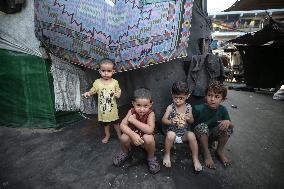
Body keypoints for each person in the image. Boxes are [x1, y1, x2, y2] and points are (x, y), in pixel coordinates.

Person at [113, 88, 160, 174]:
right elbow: (122, 125)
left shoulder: (151, 114)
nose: (142, 109)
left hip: (145, 141)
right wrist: (133, 135)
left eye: (145, 106)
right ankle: (125, 152)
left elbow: (149, 130)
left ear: (150, 104)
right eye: (138, 105)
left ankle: (151, 158)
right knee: (124, 137)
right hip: (133, 139)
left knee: (148, 138)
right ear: (133, 103)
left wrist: (134, 121)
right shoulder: (131, 111)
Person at [161, 81, 202, 172]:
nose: (178, 100)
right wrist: (171, 121)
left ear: (187, 96)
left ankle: (195, 159)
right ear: (172, 95)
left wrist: (189, 117)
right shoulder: (171, 107)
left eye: (181, 98)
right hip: (172, 135)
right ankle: (167, 154)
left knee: (191, 135)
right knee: (171, 134)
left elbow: (192, 121)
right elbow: (163, 120)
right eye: (176, 97)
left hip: (183, 135)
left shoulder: (188, 107)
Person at [192, 81, 234, 169]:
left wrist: (228, 122)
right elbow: (190, 123)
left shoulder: (223, 110)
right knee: (202, 126)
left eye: (217, 97)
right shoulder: (198, 108)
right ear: (205, 96)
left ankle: (219, 151)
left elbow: (232, 126)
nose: (212, 99)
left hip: (212, 134)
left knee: (228, 127)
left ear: (223, 99)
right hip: (199, 135)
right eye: (210, 95)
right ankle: (206, 152)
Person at [82, 59, 121, 144]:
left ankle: (119, 135)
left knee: (116, 123)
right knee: (105, 125)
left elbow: (118, 92)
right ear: (100, 71)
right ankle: (107, 135)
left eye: (109, 71)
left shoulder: (115, 82)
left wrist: (117, 94)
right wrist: (88, 93)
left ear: (113, 71)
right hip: (103, 110)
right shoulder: (97, 82)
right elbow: (93, 90)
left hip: (113, 109)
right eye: (103, 71)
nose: (106, 73)